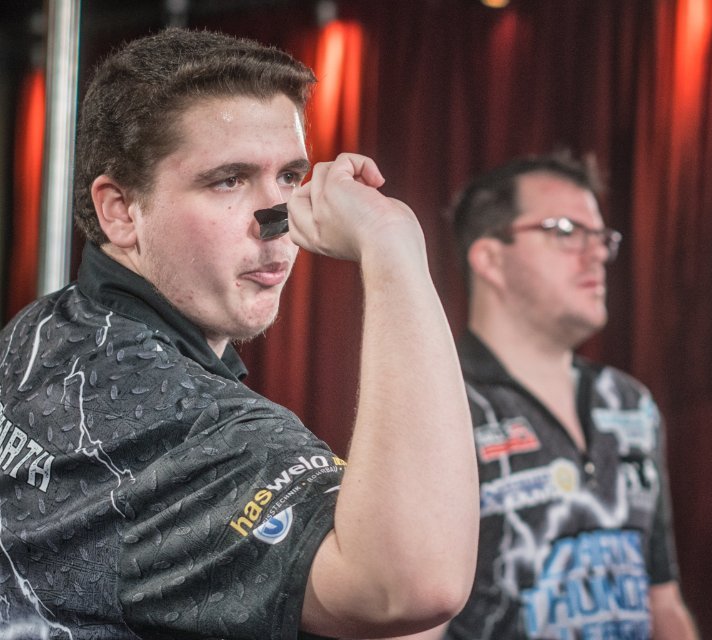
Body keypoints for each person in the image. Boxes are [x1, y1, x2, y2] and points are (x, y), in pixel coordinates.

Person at [0, 28, 478, 639]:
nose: (277, 221)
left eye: (291, 177)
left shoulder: (50, 327)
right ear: (120, 210)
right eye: (228, 180)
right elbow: (409, 587)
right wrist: (394, 249)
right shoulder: (170, 419)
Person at [399, 153, 699, 640]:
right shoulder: (441, 407)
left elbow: (662, 602)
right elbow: (413, 626)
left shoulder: (630, 403)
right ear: (490, 258)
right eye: (565, 231)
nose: (596, 254)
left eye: (600, 237)